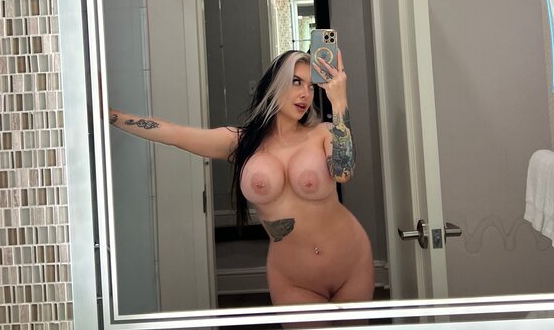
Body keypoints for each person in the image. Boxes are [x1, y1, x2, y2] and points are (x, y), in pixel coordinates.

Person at [108, 49, 375, 308]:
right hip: (294, 277)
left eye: (311, 86)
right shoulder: (242, 142)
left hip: (350, 260)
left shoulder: (324, 134)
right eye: (296, 82)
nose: (305, 93)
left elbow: (344, 172)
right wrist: (111, 116)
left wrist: (339, 102)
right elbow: (174, 134)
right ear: (274, 85)